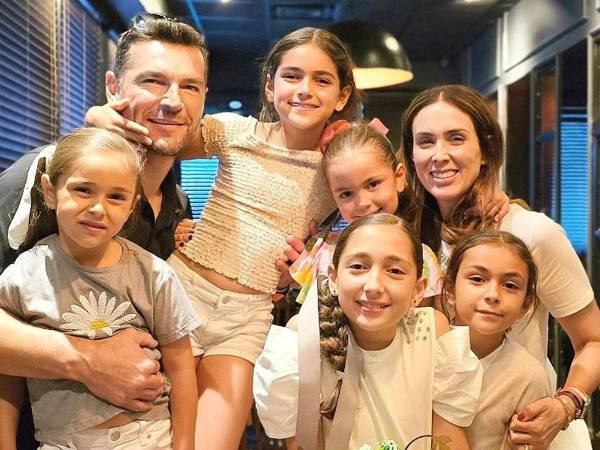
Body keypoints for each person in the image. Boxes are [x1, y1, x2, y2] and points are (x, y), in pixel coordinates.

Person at [87, 26, 361, 449]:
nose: (304, 89)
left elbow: (367, 215)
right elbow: (164, 134)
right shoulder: (236, 132)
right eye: (291, 76)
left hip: (248, 316)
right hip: (182, 293)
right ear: (270, 87)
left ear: (341, 96)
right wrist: (100, 118)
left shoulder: (341, 165)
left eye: (322, 79)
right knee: (139, 433)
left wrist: (303, 270)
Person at [0, 14, 207, 413]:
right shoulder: (36, 179)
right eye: (153, 81)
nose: (172, 101)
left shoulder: (177, 203)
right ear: (113, 88)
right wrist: (85, 360)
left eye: (190, 86)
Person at [400, 84, 600, 449]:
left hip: (520, 435)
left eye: (456, 138)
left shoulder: (529, 233)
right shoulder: (405, 238)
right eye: (425, 141)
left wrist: (567, 403)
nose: (439, 155)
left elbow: (593, 339)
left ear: (487, 150)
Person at [0, 128, 200, 450]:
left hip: (149, 438)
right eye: (83, 190)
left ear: (132, 205)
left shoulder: (154, 275)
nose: (98, 208)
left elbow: (181, 366)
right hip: (60, 442)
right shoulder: (23, 276)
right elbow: (8, 368)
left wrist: (185, 445)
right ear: (50, 191)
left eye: (116, 196)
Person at [254, 213, 482, 450]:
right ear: (333, 277)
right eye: (358, 267)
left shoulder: (432, 331)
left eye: (394, 271)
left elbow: (448, 438)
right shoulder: (303, 337)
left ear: (418, 289)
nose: (373, 285)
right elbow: (301, 444)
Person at [441, 230, 551, 449]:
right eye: (477, 279)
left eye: (510, 285)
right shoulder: (424, 350)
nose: (492, 294)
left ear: (525, 305)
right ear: (451, 290)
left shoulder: (528, 376)